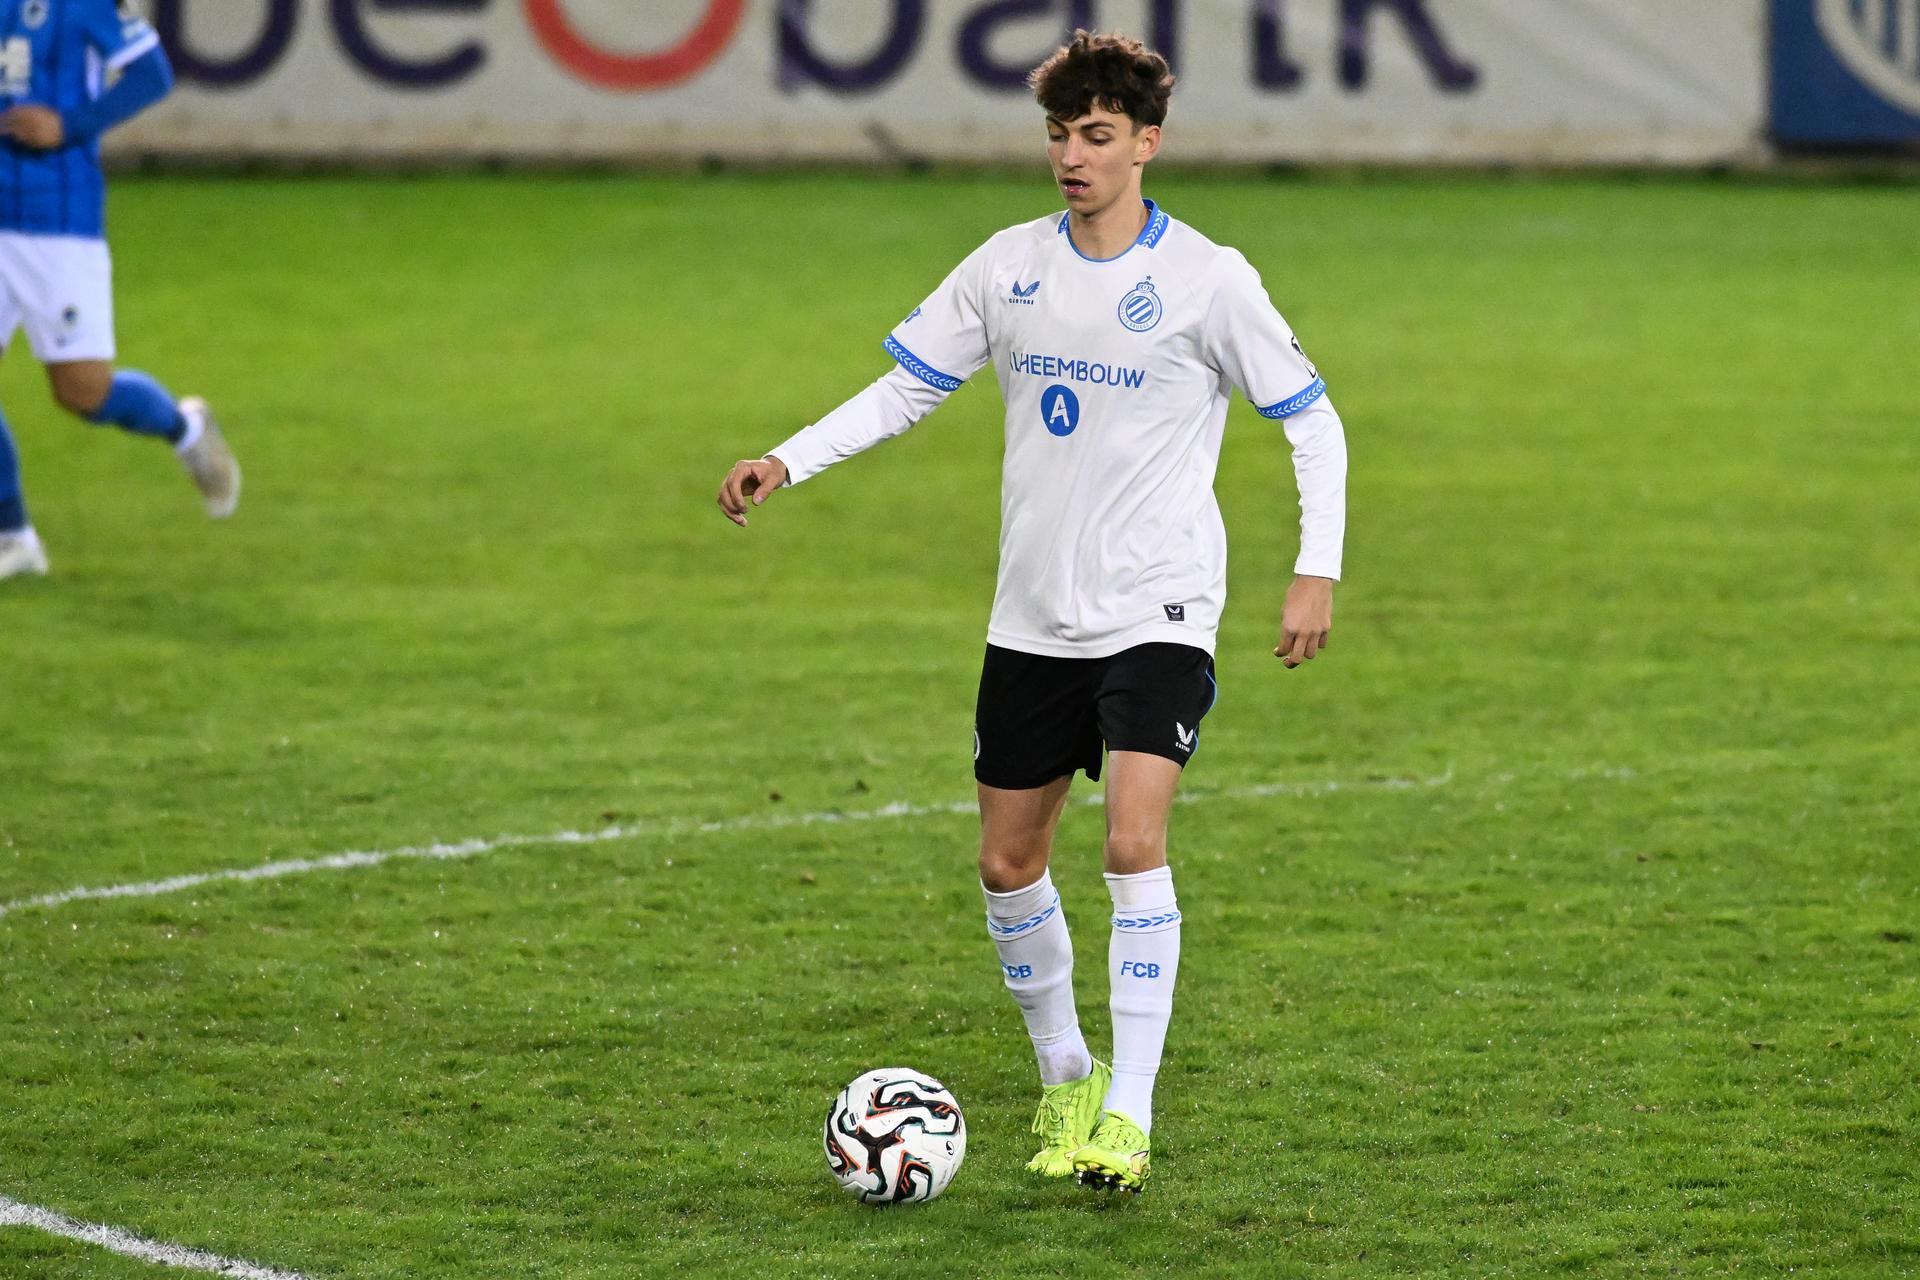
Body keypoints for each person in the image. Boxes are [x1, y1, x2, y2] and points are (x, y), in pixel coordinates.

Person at [717, 30, 1346, 1192]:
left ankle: (1132, 1113)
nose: (1073, 155)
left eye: (1097, 135)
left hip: (1159, 604)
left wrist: (1317, 568)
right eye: (1059, 134)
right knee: (1009, 862)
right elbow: (912, 385)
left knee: (1132, 841)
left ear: (1147, 143)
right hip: (1032, 616)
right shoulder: (1007, 266)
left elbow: (1312, 419)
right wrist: (788, 458)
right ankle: (1066, 1074)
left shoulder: (1211, 279)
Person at [0, 0, 238, 584]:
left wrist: (68, 125)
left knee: (83, 392)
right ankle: (14, 535)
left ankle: (185, 429)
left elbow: (152, 72)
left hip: (60, 221)